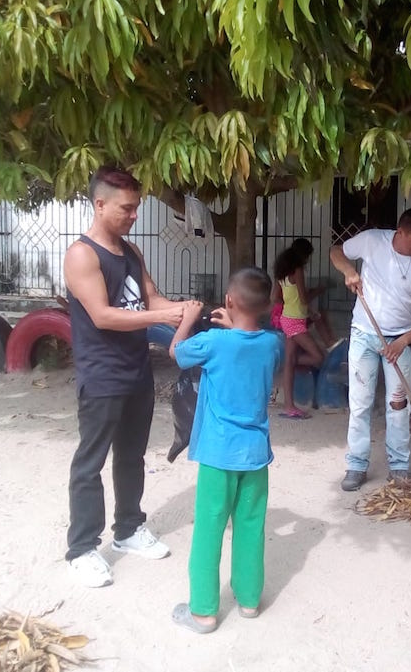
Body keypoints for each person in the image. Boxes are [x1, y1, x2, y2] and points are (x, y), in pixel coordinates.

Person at [62, 165, 191, 588]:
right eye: (126, 208)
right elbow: (102, 315)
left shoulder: (132, 253)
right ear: (100, 205)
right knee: (90, 462)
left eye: (136, 207)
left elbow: (151, 298)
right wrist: (164, 315)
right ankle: (81, 548)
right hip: (102, 376)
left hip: (137, 371)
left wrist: (187, 312)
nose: (134, 215)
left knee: (132, 455)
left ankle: (128, 529)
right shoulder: (82, 255)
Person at [169, 267, 284, 634]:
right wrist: (235, 321)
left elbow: (177, 353)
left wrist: (188, 320)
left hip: (219, 454)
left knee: (209, 527)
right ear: (268, 305)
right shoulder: (274, 343)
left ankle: (203, 611)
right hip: (255, 454)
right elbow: (249, 341)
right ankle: (249, 601)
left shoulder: (214, 343)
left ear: (230, 301)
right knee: (251, 526)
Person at [329, 208, 411, 491]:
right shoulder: (372, 241)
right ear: (400, 232)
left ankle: (399, 466)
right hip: (364, 335)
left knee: (398, 405)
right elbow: (336, 251)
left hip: (401, 340)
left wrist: (402, 342)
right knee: (360, 403)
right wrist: (349, 270)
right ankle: (356, 464)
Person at [271, 241, 325, 418]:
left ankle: (289, 407)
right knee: (318, 357)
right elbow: (303, 298)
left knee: (290, 362)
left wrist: (291, 302)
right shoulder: (298, 270)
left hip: (288, 319)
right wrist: (317, 292)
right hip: (295, 322)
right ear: (304, 255)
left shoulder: (282, 273)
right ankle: (285, 362)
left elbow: (275, 297)